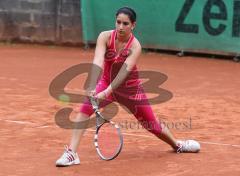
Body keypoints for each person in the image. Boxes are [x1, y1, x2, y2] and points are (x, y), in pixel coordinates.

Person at [56, 6, 200, 167]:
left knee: (152, 125)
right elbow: (97, 61)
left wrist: (107, 92)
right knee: (85, 108)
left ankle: (177, 145)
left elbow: (123, 73)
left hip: (130, 90)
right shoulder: (104, 37)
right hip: (105, 83)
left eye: (125, 23)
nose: (121, 27)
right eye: (118, 22)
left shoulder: (135, 46)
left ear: (133, 25)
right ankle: (72, 153)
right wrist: (92, 84)